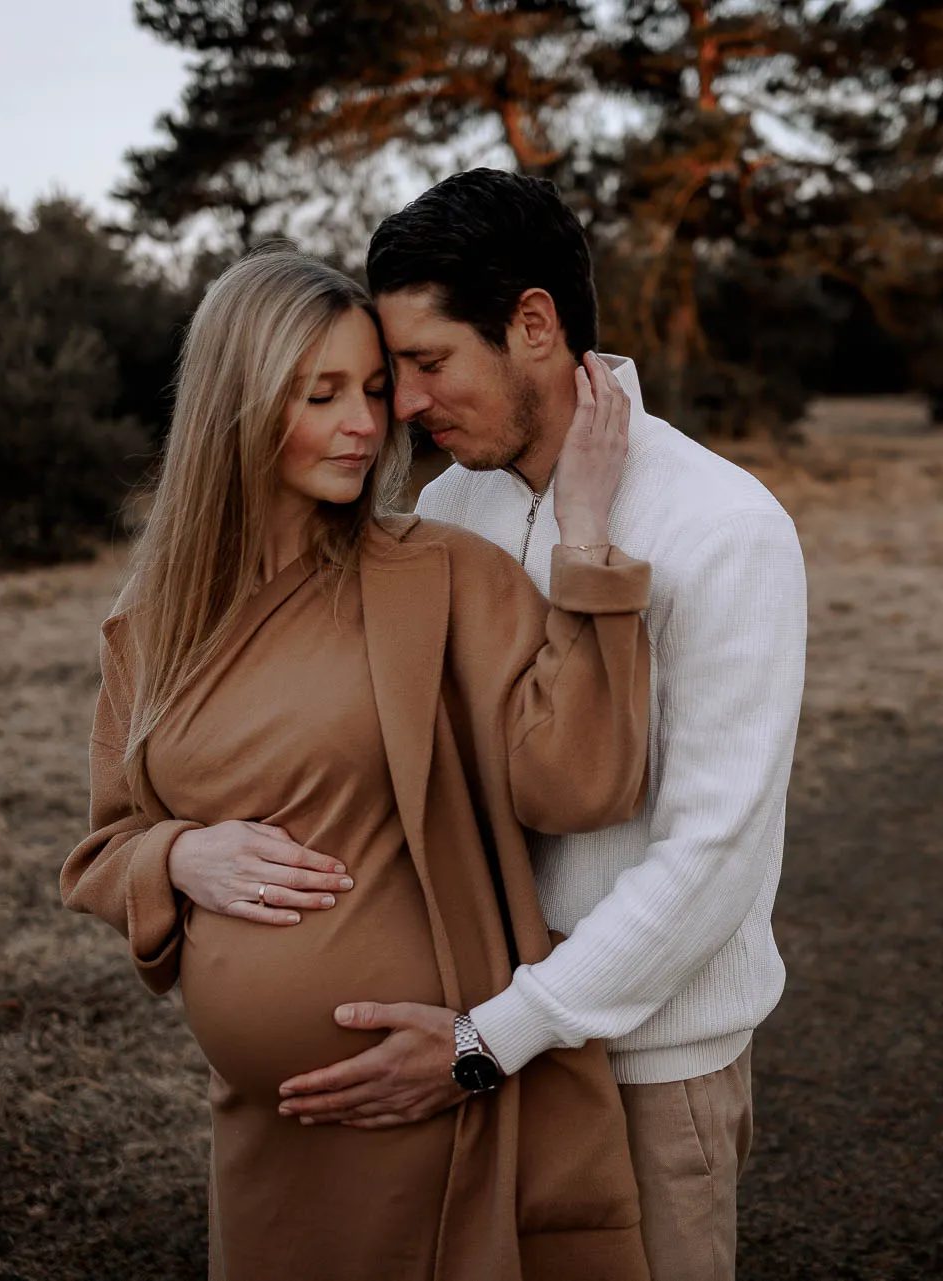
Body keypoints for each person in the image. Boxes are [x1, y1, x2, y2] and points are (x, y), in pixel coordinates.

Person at [59, 243, 657, 1281]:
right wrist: (176, 856)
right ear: (235, 405)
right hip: (270, 1134)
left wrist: (588, 542)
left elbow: (580, 780)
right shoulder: (152, 626)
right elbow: (101, 851)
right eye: (322, 393)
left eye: (375, 389)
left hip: (435, 1095)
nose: (366, 425)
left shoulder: (435, 573)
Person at [273, 172, 808, 1281]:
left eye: (427, 365)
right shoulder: (450, 508)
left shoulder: (725, 526)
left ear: (533, 325)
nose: (403, 408)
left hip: (643, 1070)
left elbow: (712, 857)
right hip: (487, 1050)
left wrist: (486, 1042)